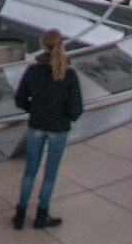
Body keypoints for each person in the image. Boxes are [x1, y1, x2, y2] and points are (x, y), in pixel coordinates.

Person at [14, 31, 82, 227]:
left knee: (30, 171)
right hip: (59, 128)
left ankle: (20, 215)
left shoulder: (33, 71)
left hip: (36, 124)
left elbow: (20, 99)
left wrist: (33, 109)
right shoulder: (68, 74)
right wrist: (66, 117)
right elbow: (76, 107)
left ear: (42, 46)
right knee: (50, 173)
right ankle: (41, 215)